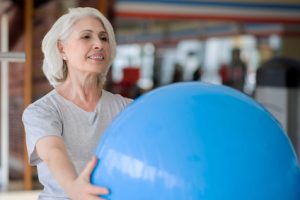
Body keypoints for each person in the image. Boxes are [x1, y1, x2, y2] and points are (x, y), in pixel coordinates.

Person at [22, 7, 132, 200]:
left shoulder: (125, 108)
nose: (99, 44)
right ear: (62, 49)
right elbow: (52, 150)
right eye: (86, 37)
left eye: (104, 38)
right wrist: (73, 187)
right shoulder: (41, 111)